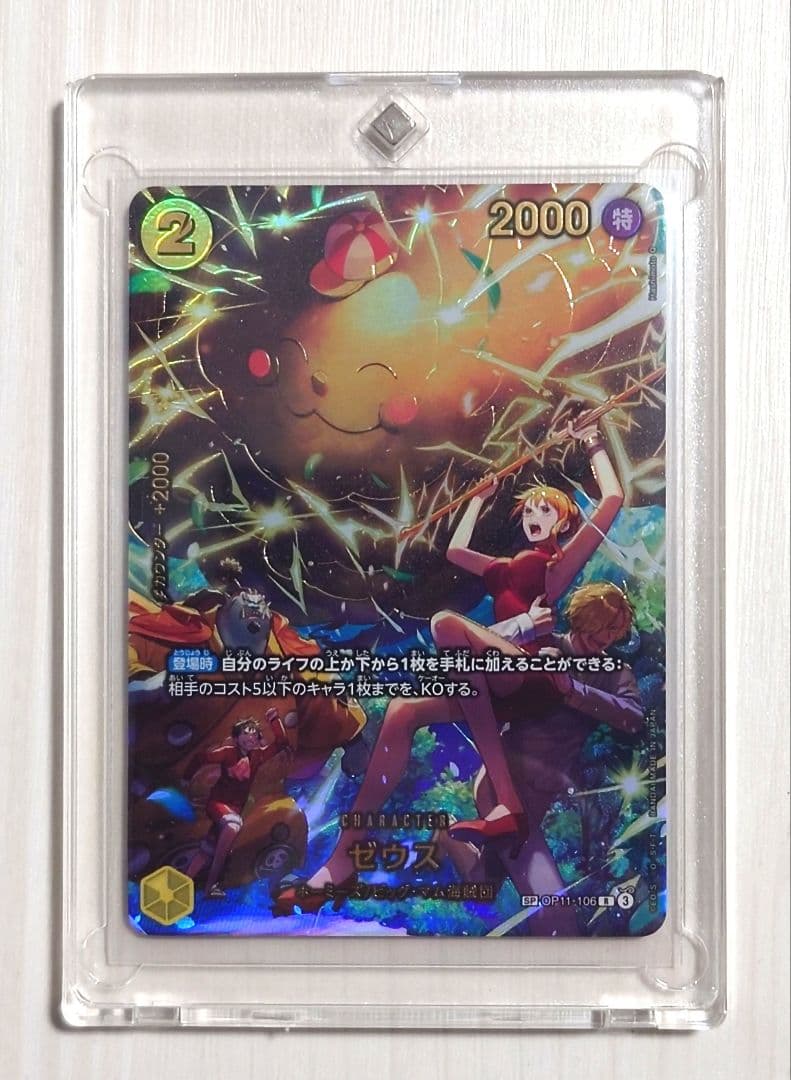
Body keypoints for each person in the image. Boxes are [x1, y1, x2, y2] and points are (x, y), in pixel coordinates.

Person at [430, 419, 624, 847]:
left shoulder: (556, 567)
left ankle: (507, 802)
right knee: (403, 712)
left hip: (532, 673)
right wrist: (477, 501)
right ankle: (506, 806)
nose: (535, 517)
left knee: (446, 624)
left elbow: (613, 498)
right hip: (502, 666)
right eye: (531, 511)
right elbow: (455, 552)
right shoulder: (504, 569)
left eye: (547, 510)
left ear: (565, 522)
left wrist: (591, 440)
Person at [440, 582, 645, 935]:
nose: (608, 637)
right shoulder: (544, 646)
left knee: (483, 885)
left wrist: (573, 690)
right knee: (554, 911)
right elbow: (463, 648)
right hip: (504, 783)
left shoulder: (614, 671)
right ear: (585, 617)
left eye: (616, 630)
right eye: (604, 626)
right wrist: (527, 625)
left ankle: (444, 832)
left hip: (540, 793)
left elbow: (633, 717)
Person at [183, 712, 290, 898]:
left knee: (208, 849)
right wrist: (185, 779)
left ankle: (184, 883)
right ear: (236, 737)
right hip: (218, 803)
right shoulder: (228, 753)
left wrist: (274, 720)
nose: (250, 737)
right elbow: (201, 758)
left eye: (254, 734)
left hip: (235, 808)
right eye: (245, 733)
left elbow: (281, 743)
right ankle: (210, 886)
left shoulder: (258, 756)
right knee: (232, 827)